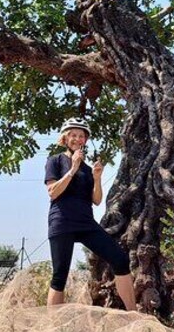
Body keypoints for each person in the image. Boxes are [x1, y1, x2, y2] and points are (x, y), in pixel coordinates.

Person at [44, 117, 136, 310]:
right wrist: (72, 170)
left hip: (86, 223)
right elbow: (53, 192)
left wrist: (97, 178)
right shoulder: (55, 161)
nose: (77, 139)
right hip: (62, 222)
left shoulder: (86, 169)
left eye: (81, 136)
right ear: (65, 139)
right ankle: (51, 328)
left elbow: (96, 200)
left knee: (120, 259)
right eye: (73, 135)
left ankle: (134, 315)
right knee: (59, 276)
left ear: (85, 140)